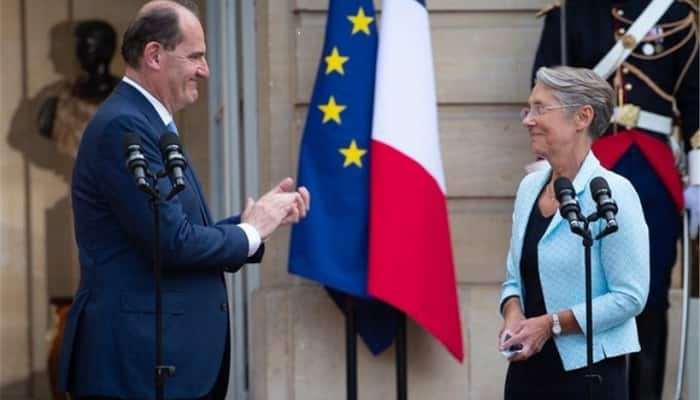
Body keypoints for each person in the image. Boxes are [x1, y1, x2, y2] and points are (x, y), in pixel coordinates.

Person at [56, 1, 310, 399]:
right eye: (195, 56)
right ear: (154, 55)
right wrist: (249, 232)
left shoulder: (144, 121)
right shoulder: (125, 125)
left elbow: (171, 231)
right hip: (140, 366)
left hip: (161, 362)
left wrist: (258, 222)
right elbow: (171, 243)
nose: (205, 70)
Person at [532, 3, 699, 398]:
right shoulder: (571, 11)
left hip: (651, 171)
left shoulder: (673, 11)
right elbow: (544, 99)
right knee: (579, 294)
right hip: (585, 165)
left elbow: (695, 99)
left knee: (650, 299)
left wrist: (698, 176)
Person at [499, 66, 649, 399]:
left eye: (541, 108)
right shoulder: (529, 189)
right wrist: (513, 315)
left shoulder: (614, 192)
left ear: (582, 117)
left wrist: (550, 325)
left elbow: (630, 296)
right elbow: (513, 279)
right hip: (527, 371)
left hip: (588, 377)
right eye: (529, 108)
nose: (528, 119)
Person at [37, 19, 119, 157]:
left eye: (85, 46)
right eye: (77, 46)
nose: (78, 53)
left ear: (105, 49)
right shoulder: (55, 105)